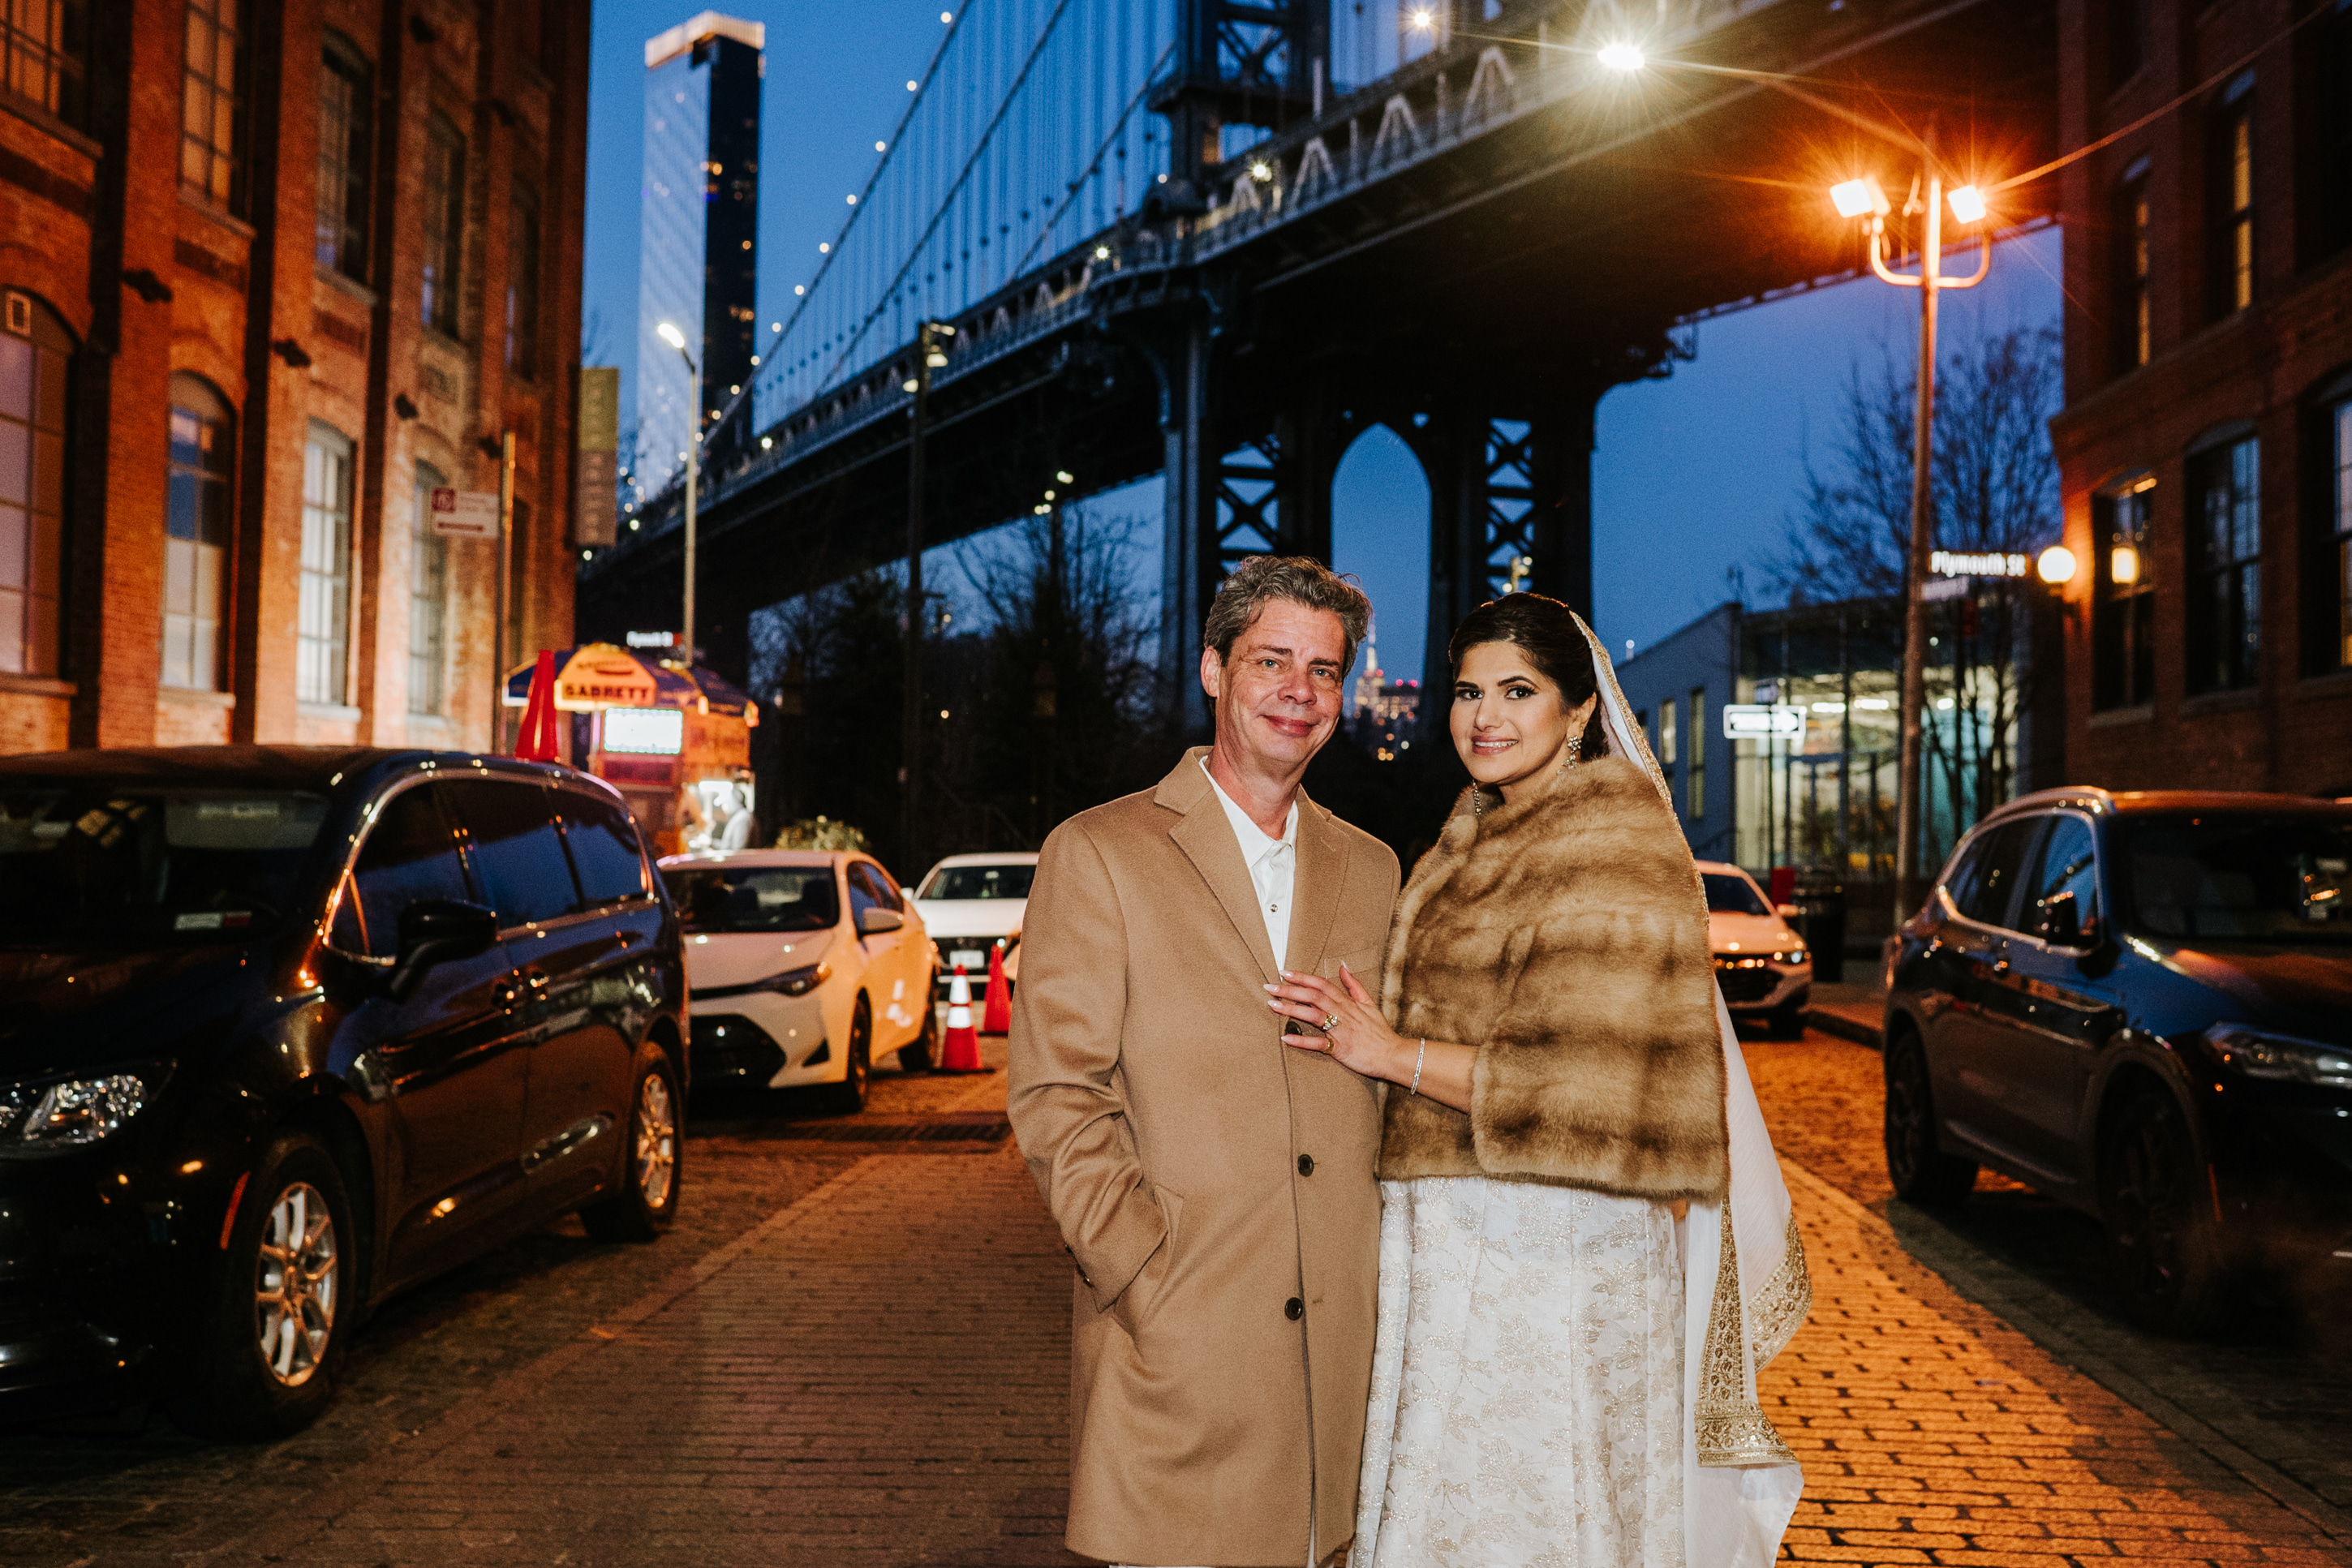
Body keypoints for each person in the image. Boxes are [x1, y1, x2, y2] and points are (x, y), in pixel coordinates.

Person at [1266, 592, 1810, 1568]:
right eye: (1468, 691)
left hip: (1554, 1251)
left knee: (1537, 1511)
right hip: (1455, 1238)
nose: (1485, 716)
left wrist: (1389, 1053)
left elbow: (1583, 1087)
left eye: (1518, 691)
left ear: (1579, 709)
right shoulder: (1471, 839)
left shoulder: (1614, 844)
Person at [1008, 556, 1402, 1568]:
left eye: (1323, 670)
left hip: (1334, 1373)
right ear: (1213, 670)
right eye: (1271, 661)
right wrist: (1138, 1266)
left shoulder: (1372, 867)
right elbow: (1057, 1094)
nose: (1298, 691)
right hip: (1179, 1345)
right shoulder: (1100, 852)